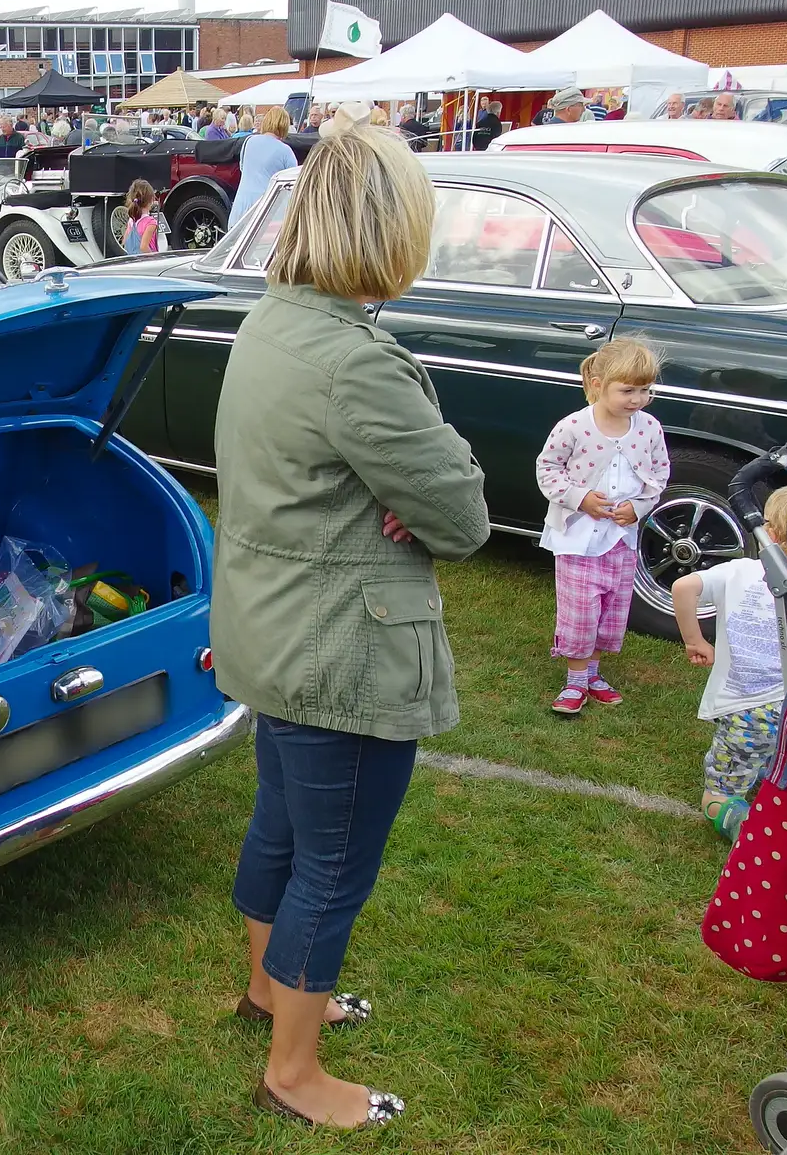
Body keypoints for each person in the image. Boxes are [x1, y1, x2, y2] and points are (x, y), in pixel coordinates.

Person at [216, 115, 489, 1130]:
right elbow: (460, 515)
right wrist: (412, 481)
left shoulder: (274, 320)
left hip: (276, 631)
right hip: (338, 654)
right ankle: (294, 1069)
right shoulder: (352, 363)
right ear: (387, 230)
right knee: (331, 864)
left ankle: (267, 989)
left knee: (282, 832)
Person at [675, 481, 787, 839]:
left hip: (746, 709)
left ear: (768, 531)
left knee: (720, 792)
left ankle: (747, 828)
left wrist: (695, 640)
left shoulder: (739, 571)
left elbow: (683, 587)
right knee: (785, 764)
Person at [535, 340, 670, 715]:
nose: (638, 399)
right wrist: (580, 498)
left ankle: (594, 673)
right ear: (597, 384)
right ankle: (575, 680)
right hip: (577, 538)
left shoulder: (649, 428)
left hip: (621, 539)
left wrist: (639, 507)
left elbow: (659, 473)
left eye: (645, 390)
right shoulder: (575, 426)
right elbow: (547, 469)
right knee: (580, 610)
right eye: (628, 390)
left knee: (611, 609)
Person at [228, 107, 297, 228]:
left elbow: (243, 168)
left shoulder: (248, 142)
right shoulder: (285, 151)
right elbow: (293, 185)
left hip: (240, 207)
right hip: (265, 211)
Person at [121, 178, 160, 254]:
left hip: (133, 261)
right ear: (151, 200)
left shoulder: (131, 221)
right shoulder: (151, 222)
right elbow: (143, 247)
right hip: (147, 262)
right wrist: (155, 258)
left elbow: (124, 241)